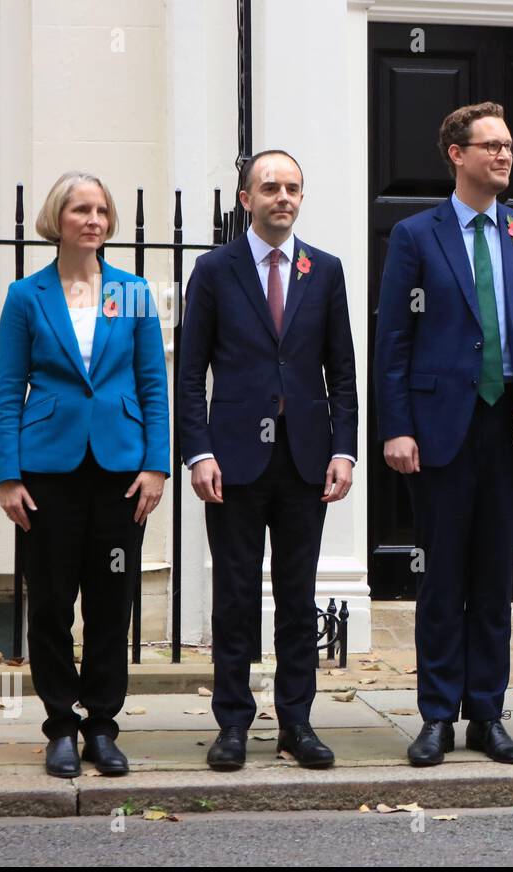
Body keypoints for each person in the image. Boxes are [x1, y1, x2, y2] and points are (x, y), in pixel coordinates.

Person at [375, 101, 513, 767]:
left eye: (509, 145)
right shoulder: (416, 236)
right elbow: (393, 341)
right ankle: (435, 716)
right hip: (439, 431)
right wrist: (396, 427)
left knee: (493, 578)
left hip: (510, 423)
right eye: (491, 146)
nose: (505, 155)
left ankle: (487, 713)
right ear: (457, 154)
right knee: (442, 577)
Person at [179, 149, 357, 770]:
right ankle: (232, 723)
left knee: (298, 595)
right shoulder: (214, 270)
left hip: (306, 459)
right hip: (231, 462)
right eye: (271, 187)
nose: (284, 197)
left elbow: (342, 371)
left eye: (294, 188)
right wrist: (196, 450)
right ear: (246, 200)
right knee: (233, 595)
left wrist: (344, 449)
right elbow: (189, 371)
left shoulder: (324, 271)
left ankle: (296, 722)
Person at [0, 171, 169, 778]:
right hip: (48, 470)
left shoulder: (134, 291)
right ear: (57, 220)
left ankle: (101, 724)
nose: (94, 220)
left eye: (102, 210)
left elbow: (153, 383)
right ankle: (60, 726)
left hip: (120, 468)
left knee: (111, 599)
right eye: (81, 210)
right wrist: (8, 474)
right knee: (49, 602)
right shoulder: (26, 295)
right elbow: (10, 388)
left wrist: (156, 465)